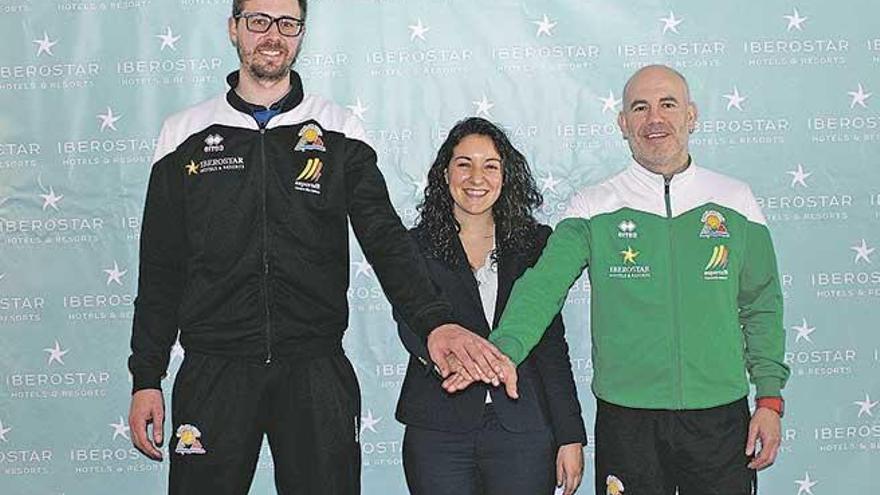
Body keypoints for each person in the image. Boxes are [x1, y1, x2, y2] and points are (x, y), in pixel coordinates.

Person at [126, 1, 512, 493]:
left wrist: (434, 322)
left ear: (301, 34)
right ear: (234, 29)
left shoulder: (338, 129)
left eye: (288, 24)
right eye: (259, 21)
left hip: (315, 369)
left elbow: (386, 241)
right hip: (213, 370)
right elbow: (160, 267)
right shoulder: (184, 134)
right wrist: (146, 376)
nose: (273, 35)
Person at [446, 65, 790, 495]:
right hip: (628, 420)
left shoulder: (735, 201)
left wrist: (770, 399)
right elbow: (541, 289)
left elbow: (761, 305)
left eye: (668, 104)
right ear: (623, 124)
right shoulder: (593, 206)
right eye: (640, 108)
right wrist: (501, 353)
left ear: (692, 116)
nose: (655, 118)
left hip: (719, 416)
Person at [395, 117, 586, 495]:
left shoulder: (535, 244)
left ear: (506, 175)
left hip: (524, 431)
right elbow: (411, 325)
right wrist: (456, 362)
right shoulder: (413, 246)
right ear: (445, 173)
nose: (476, 177)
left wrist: (570, 435)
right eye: (464, 164)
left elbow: (550, 347)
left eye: (490, 165)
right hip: (438, 431)